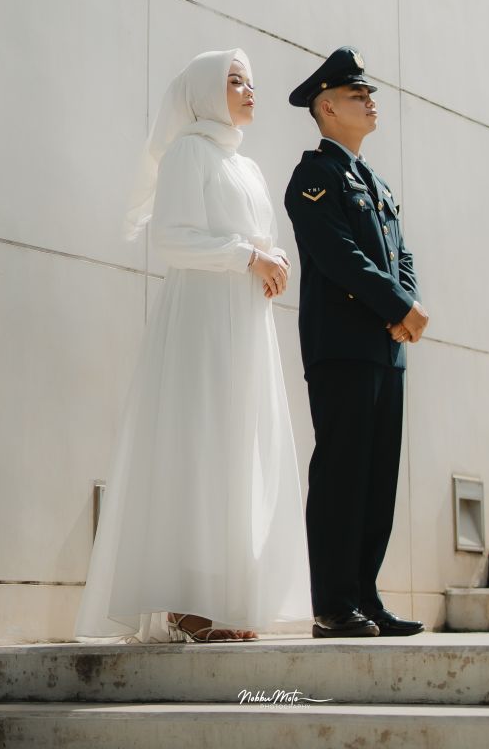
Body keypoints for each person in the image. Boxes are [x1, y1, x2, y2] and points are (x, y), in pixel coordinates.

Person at [75, 48, 309, 643]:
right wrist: (249, 257)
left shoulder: (247, 166)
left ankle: (229, 600)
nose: (249, 91)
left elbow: (263, 238)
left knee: (239, 449)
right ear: (204, 92)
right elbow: (173, 239)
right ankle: (187, 605)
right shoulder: (188, 153)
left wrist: (275, 259)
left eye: (250, 82)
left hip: (246, 325)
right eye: (234, 81)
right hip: (202, 324)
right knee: (199, 448)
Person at [284, 47, 428, 639]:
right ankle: (333, 605)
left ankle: (366, 597)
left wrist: (406, 307)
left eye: (369, 94)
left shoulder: (376, 182)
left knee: (377, 479)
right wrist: (399, 308)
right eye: (356, 95)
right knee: (342, 475)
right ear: (326, 107)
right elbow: (340, 257)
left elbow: (400, 255)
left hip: (385, 348)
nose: (370, 102)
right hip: (342, 347)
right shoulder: (314, 177)